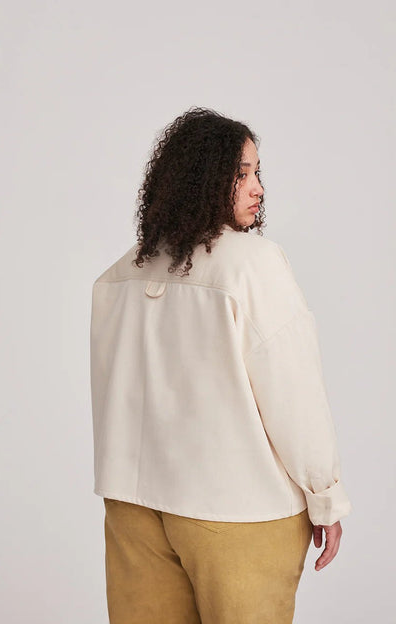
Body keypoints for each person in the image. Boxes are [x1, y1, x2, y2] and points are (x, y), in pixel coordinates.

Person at [90, 106, 352, 623]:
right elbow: (293, 393)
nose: (258, 188)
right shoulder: (252, 264)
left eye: (257, 173)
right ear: (204, 180)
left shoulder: (120, 274)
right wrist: (326, 497)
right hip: (236, 510)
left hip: (133, 510)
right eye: (241, 174)